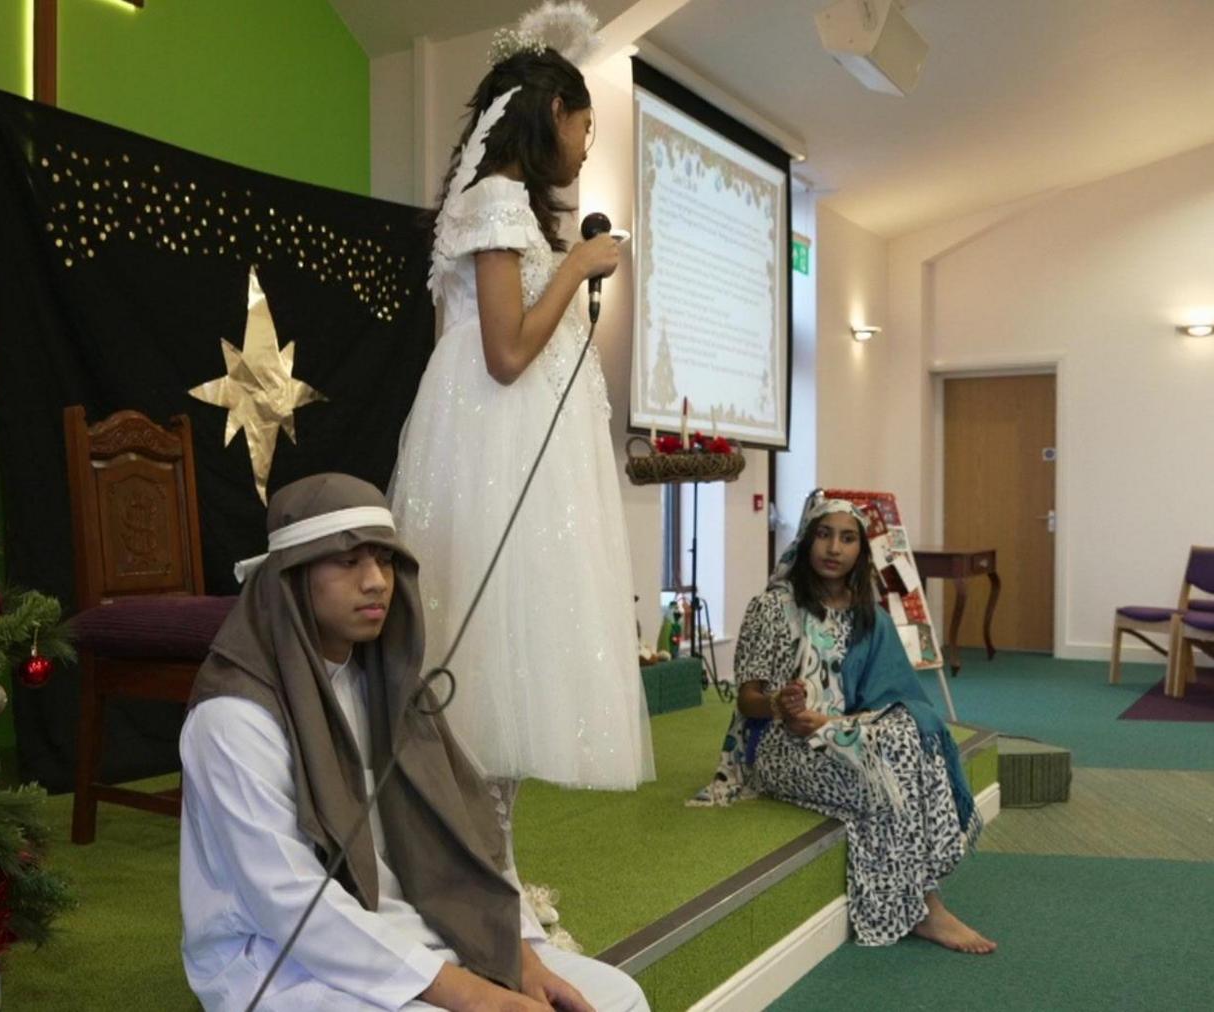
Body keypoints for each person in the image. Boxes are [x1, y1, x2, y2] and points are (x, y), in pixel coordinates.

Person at [180, 473, 648, 1011]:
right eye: (349, 561)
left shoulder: (391, 687)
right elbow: (286, 903)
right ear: (291, 576)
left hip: (422, 933)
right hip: (280, 959)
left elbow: (468, 837)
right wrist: (472, 996)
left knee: (619, 998)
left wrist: (521, 962)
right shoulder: (234, 718)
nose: (377, 581)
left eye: (383, 559)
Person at [389, 3, 654, 810]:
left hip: (508, 437)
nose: (582, 147)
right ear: (553, 113)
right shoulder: (500, 205)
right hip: (495, 441)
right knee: (486, 662)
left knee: (505, 671)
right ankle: (476, 877)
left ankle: (490, 874)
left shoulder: (501, 207)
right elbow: (504, 354)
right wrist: (575, 270)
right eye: (584, 127)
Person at [690, 490, 996, 954]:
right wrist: (780, 704)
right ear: (808, 541)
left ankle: (917, 903)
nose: (834, 548)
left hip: (838, 734)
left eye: (848, 538)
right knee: (883, 776)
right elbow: (747, 699)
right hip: (781, 749)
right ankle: (926, 908)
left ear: (860, 551)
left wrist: (832, 725)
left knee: (911, 732)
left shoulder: (867, 618)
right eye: (825, 535)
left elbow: (893, 699)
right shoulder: (773, 608)